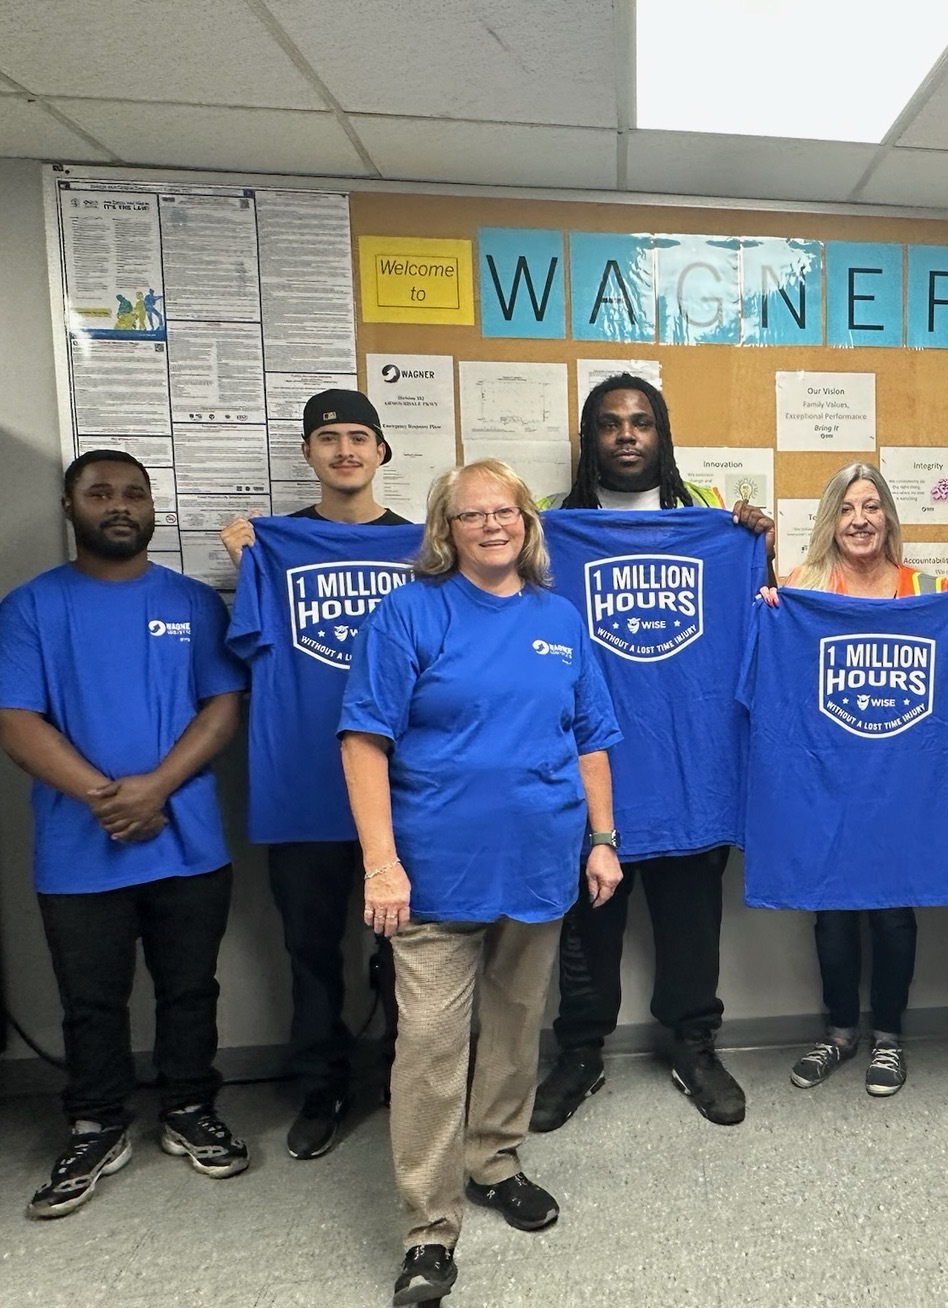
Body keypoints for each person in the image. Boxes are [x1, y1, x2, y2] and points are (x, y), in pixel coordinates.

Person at [339, 459, 622, 1306]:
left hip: (537, 867)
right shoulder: (411, 612)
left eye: (507, 512)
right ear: (446, 529)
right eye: (473, 516)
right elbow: (362, 741)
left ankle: (494, 1162)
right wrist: (382, 862)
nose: (492, 525)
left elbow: (591, 736)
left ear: (529, 525)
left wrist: (602, 841)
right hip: (433, 877)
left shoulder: (559, 618)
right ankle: (429, 1228)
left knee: (515, 1031)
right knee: (428, 1051)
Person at [0, 450, 249, 1219]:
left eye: (134, 493)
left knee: (190, 987)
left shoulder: (196, 603)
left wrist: (157, 788)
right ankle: (97, 1121)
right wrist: (108, 798)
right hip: (78, 846)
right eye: (100, 493)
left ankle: (189, 1108)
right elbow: (12, 719)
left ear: (153, 509)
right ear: (70, 508)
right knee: (91, 1001)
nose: (120, 505)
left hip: (186, 836)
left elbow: (222, 704)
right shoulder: (29, 608)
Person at [531, 373, 772, 1131]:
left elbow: (764, 617)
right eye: (610, 424)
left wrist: (758, 545)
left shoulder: (707, 524)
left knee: (692, 919)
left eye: (640, 422)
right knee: (588, 927)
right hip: (587, 768)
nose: (626, 435)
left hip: (690, 765)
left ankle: (695, 1044)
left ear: (661, 435)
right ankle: (580, 1053)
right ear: (590, 440)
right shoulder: (549, 533)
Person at [220, 387, 409, 1160]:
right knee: (310, 950)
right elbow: (247, 647)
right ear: (308, 454)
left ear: (381, 452)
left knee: (416, 951)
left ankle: (411, 1076)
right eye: (328, 438)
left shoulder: (427, 550)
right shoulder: (271, 549)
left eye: (358, 436)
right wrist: (248, 566)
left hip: (405, 791)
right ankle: (320, 1083)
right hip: (302, 783)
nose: (344, 450)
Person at [765, 462, 948, 1096]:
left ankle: (890, 1038)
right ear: (830, 521)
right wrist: (771, 608)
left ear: (889, 517)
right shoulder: (804, 587)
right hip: (826, 785)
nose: (860, 520)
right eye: (846, 509)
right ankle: (840, 1032)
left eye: (871, 506)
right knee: (834, 915)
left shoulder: (927, 587)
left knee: (895, 913)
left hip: (902, 785)